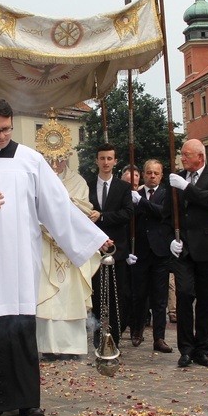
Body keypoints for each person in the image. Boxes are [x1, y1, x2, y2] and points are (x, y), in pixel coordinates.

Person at [0, 98, 109, 416]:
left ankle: (26, 399)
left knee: (18, 326)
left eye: (6, 129)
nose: (1, 135)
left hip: (16, 259)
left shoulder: (30, 160)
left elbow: (57, 206)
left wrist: (94, 239)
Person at [162, 139, 208, 367]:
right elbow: (167, 214)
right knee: (185, 294)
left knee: (207, 301)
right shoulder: (176, 178)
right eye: (181, 154)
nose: (183, 158)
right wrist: (171, 239)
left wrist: (186, 188)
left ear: (200, 156)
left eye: (187, 154)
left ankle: (202, 349)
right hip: (184, 249)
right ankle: (186, 349)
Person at [36, 155, 100, 360]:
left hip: (71, 247)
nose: (55, 163)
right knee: (46, 295)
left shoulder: (78, 182)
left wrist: (66, 203)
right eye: (50, 158)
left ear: (67, 157)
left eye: (60, 158)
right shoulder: (37, 179)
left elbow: (84, 210)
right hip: (46, 245)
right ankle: (47, 346)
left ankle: (72, 347)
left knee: (71, 296)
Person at [88, 143, 134, 348]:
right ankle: (98, 333)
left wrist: (103, 217)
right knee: (96, 294)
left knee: (118, 294)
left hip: (117, 249)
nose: (105, 162)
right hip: (93, 249)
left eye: (109, 159)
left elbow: (127, 213)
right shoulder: (87, 186)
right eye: (102, 158)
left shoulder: (123, 187)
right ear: (96, 160)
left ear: (115, 161)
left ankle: (115, 334)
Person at [128, 159, 173, 353]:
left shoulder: (166, 194)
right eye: (148, 172)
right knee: (139, 294)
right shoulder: (134, 194)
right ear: (143, 175)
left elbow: (164, 213)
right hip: (140, 251)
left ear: (161, 175)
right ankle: (137, 330)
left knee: (159, 298)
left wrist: (143, 203)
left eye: (156, 173)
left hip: (160, 251)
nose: (152, 176)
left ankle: (159, 337)